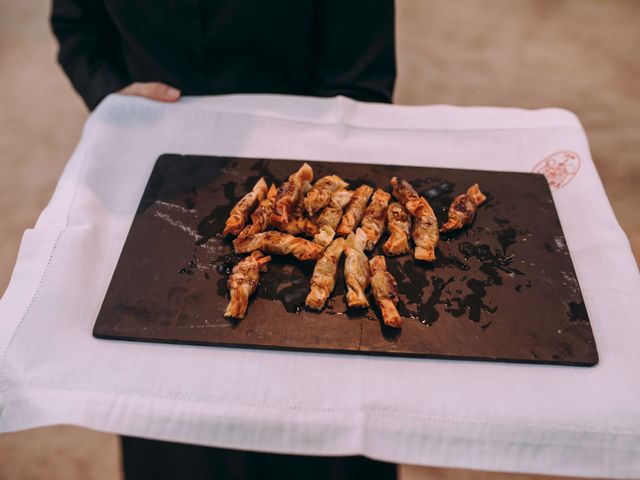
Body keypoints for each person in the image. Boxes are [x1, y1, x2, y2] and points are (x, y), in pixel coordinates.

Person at [50, 1, 398, 478]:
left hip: (314, 177)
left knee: (313, 436)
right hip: (157, 196)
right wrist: (111, 93)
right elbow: (78, 27)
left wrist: (313, 197)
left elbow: (360, 79)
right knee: (175, 437)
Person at [51, 0, 396, 110]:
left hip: (300, 132)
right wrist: (109, 90)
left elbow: (359, 86)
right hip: (152, 126)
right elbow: (79, 26)